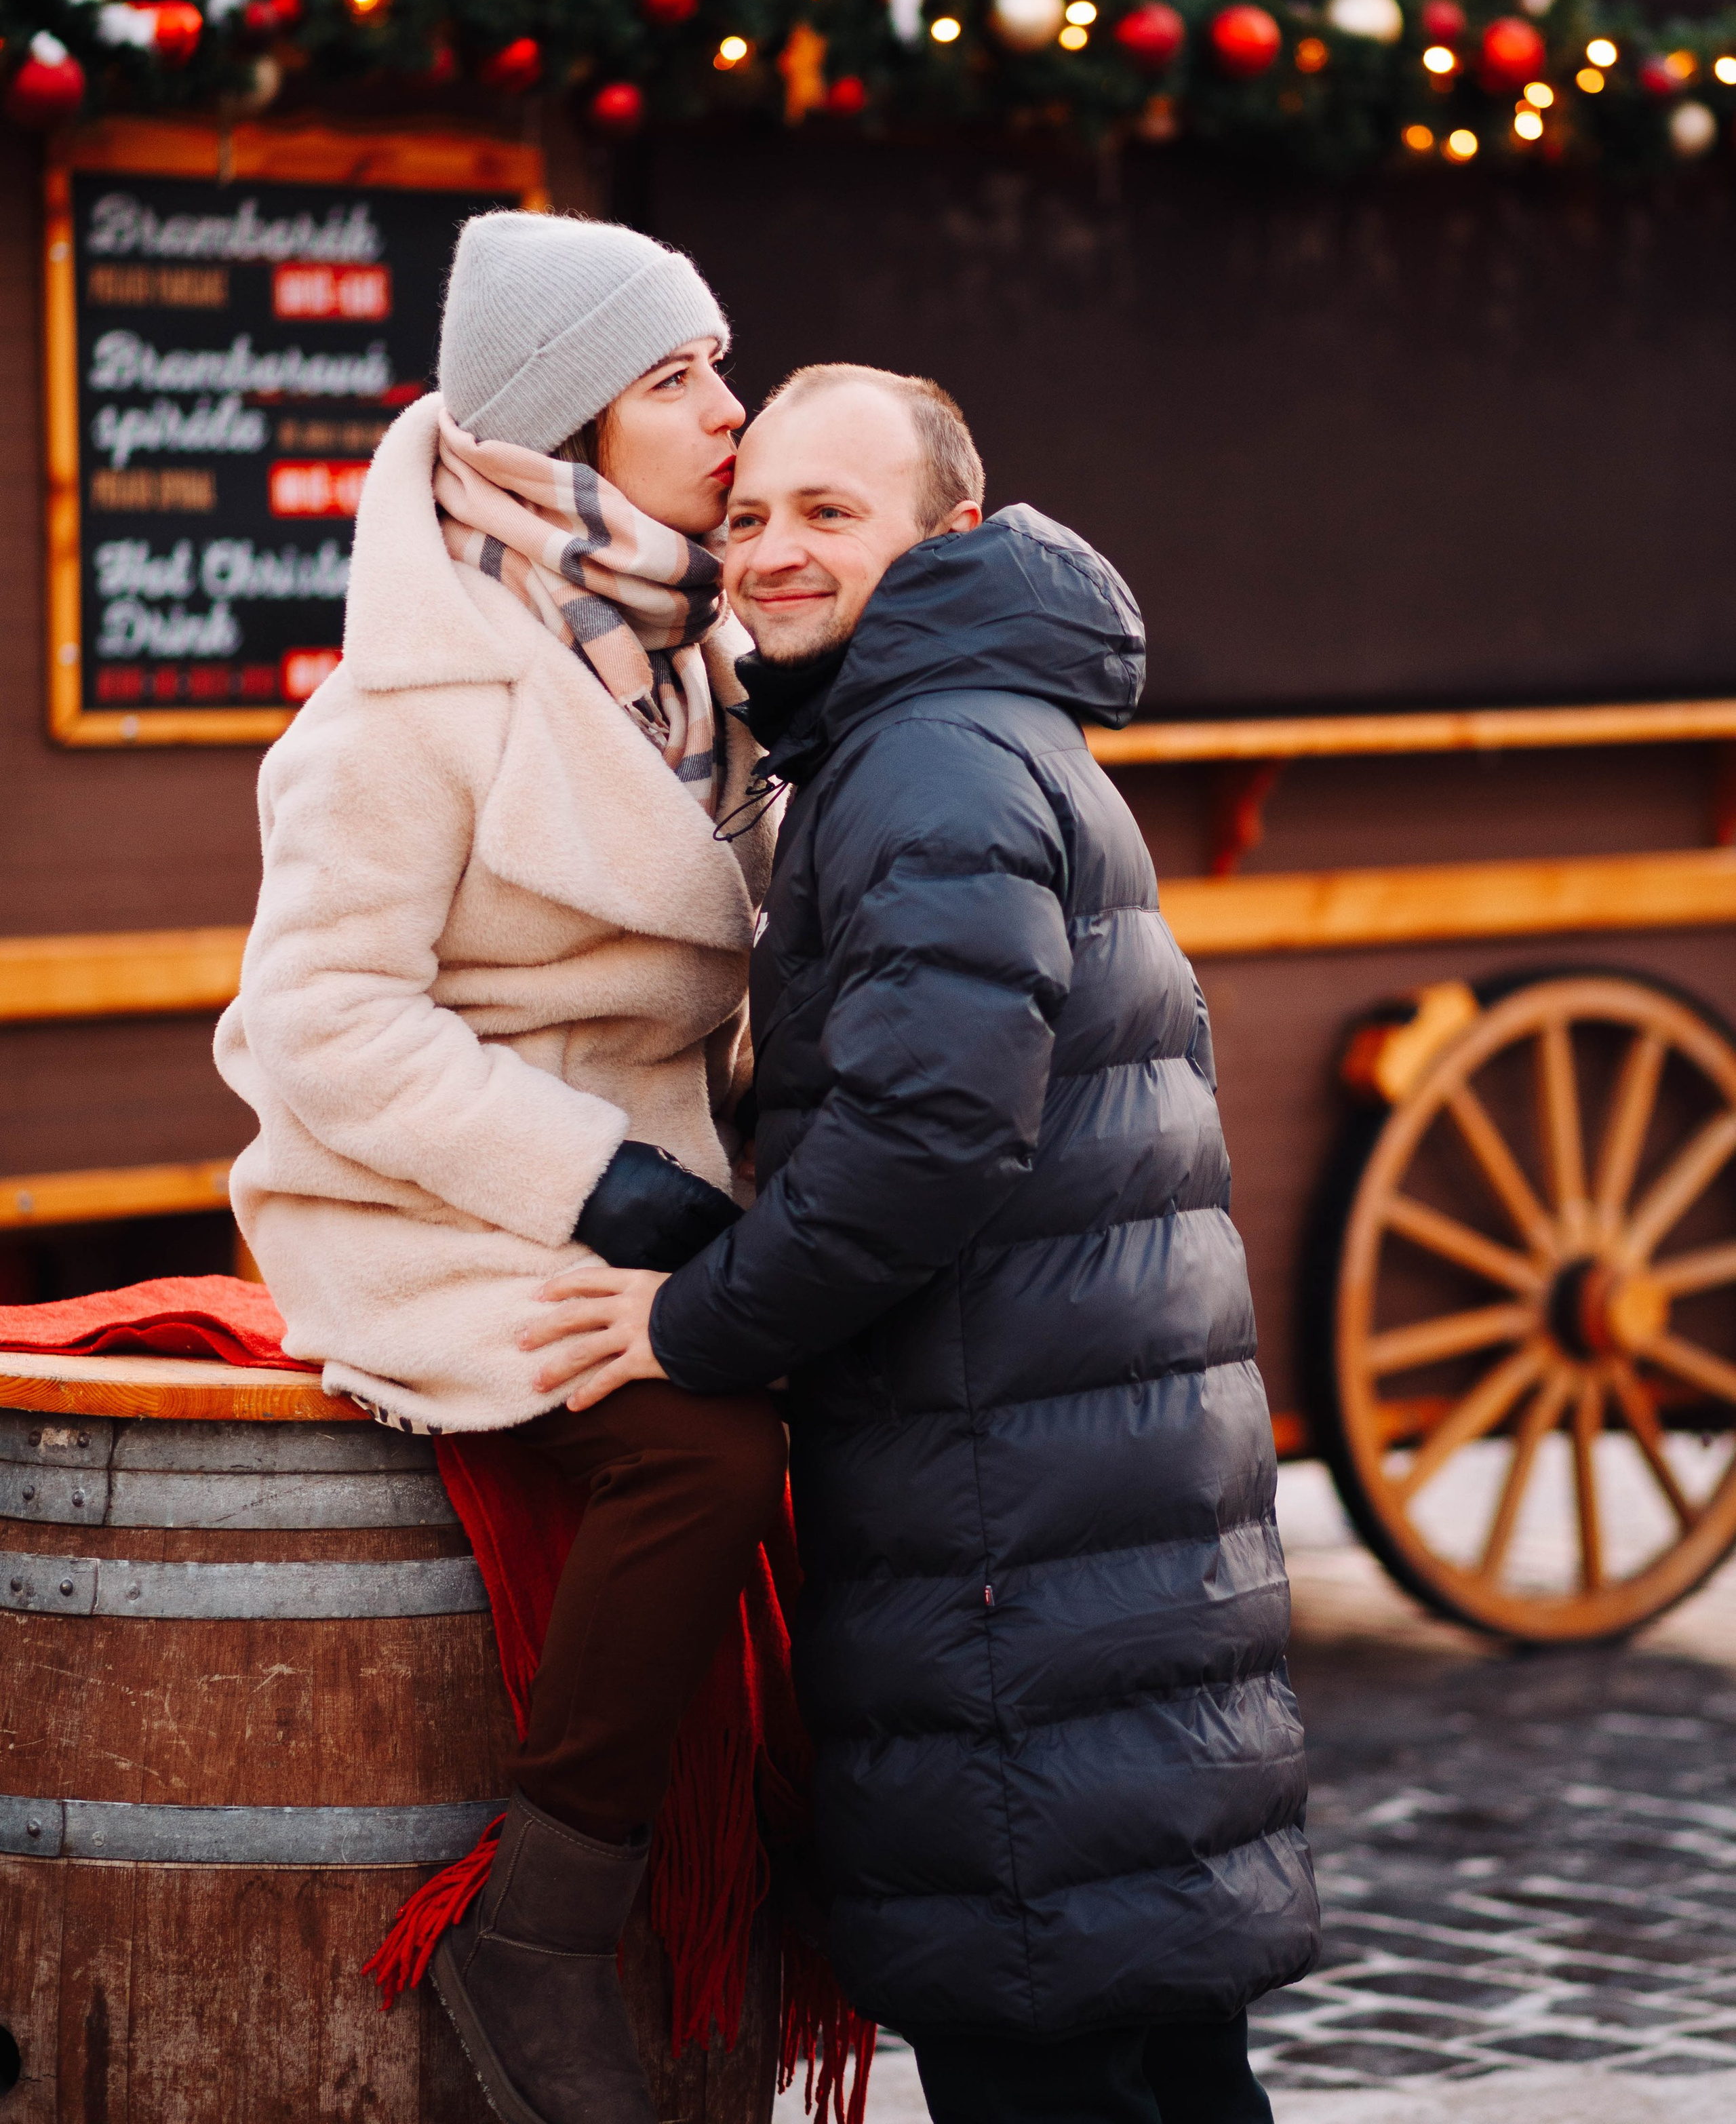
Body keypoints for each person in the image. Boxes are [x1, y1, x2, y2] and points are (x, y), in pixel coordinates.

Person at [521, 363, 1321, 2124]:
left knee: (1049, 2056)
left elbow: (927, 1135)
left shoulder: (923, 763)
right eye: (748, 517)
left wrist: (693, 1324)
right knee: (1166, 2057)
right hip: (1080, 1515)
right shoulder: (968, 726)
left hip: (1006, 1547)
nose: (775, 552)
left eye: (831, 512)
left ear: (948, 534)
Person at [214, 212, 791, 2124]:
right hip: (427, 1201)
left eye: (720, 360)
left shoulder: (688, 650)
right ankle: (537, 1925)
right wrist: (603, 1191)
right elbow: (317, 1028)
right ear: (563, 428)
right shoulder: (406, 711)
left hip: (669, 1163)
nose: (729, 411)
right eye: (675, 378)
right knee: (711, 1439)